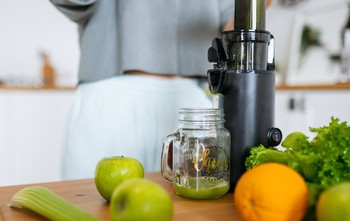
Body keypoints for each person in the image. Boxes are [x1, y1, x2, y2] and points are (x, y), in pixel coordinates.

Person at [50, 0, 235, 180]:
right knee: (88, 204)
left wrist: (251, 9)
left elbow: (230, 28)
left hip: (195, 105)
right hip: (111, 97)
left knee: (201, 208)